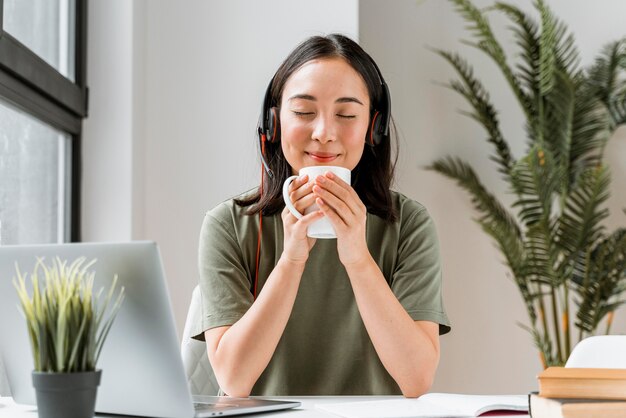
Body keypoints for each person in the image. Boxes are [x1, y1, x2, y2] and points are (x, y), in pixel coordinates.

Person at [191, 33, 450, 398]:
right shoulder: (229, 225)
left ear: (373, 127)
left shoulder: (407, 224)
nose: (324, 133)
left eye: (346, 114)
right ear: (274, 122)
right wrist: (291, 260)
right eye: (303, 112)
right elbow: (234, 380)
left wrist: (358, 259)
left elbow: (417, 379)